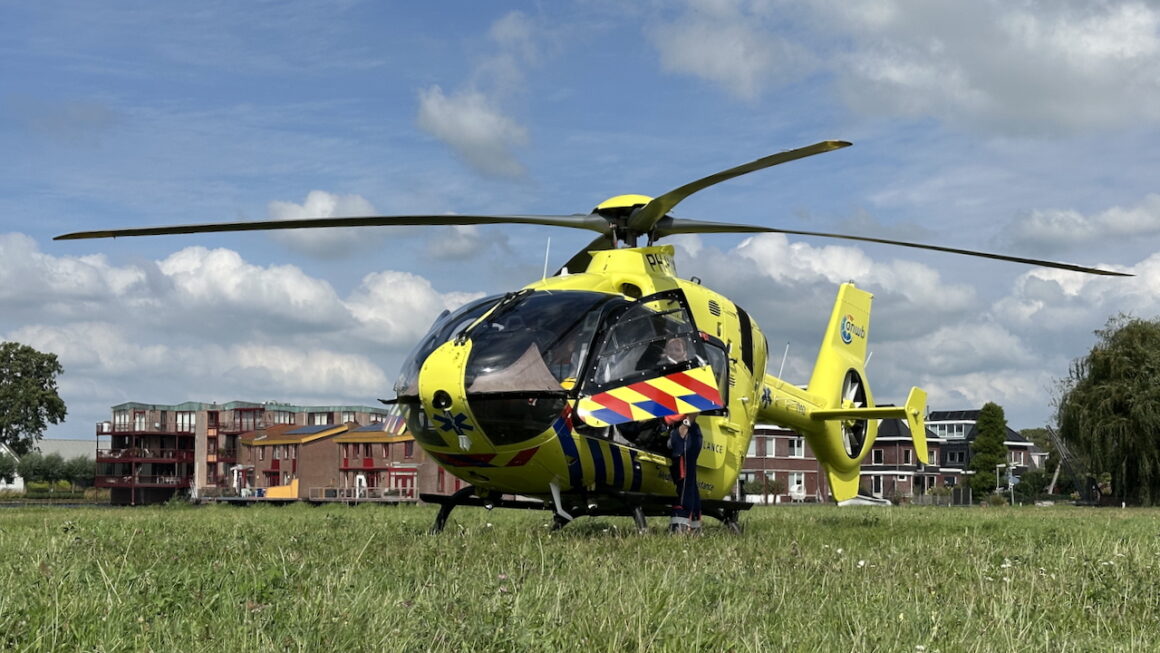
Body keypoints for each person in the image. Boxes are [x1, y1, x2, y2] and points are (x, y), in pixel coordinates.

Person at [666, 413, 702, 533]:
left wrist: (685, 425)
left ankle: (679, 526)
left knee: (684, 480)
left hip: (685, 430)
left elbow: (698, 400)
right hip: (683, 429)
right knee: (689, 481)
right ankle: (694, 526)